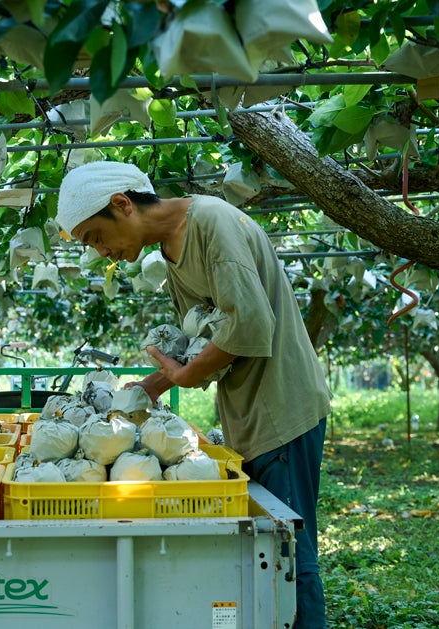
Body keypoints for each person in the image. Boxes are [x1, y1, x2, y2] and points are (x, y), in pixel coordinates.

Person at [57, 161, 332, 629]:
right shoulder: (170, 250)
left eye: (96, 237)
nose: (102, 252)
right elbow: (201, 345)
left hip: (281, 407)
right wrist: (148, 388)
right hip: (249, 412)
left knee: (288, 551)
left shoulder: (213, 223)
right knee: (269, 544)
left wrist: (180, 379)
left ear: (123, 204)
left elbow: (250, 326)